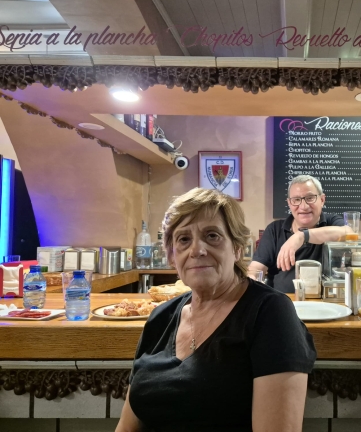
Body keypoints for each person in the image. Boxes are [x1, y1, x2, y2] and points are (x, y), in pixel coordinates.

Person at [116, 188, 316, 432]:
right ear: (171, 255)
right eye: (183, 239)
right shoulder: (161, 318)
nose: (196, 250)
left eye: (212, 236)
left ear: (237, 248)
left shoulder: (269, 312)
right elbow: (127, 427)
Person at [249, 175, 347, 293]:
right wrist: (252, 280)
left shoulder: (332, 222)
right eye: (296, 200)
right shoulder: (274, 230)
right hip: (281, 300)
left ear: (322, 200)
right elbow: (255, 269)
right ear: (289, 203)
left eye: (310, 198)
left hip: (325, 301)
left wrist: (301, 236)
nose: (303, 206)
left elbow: (349, 234)